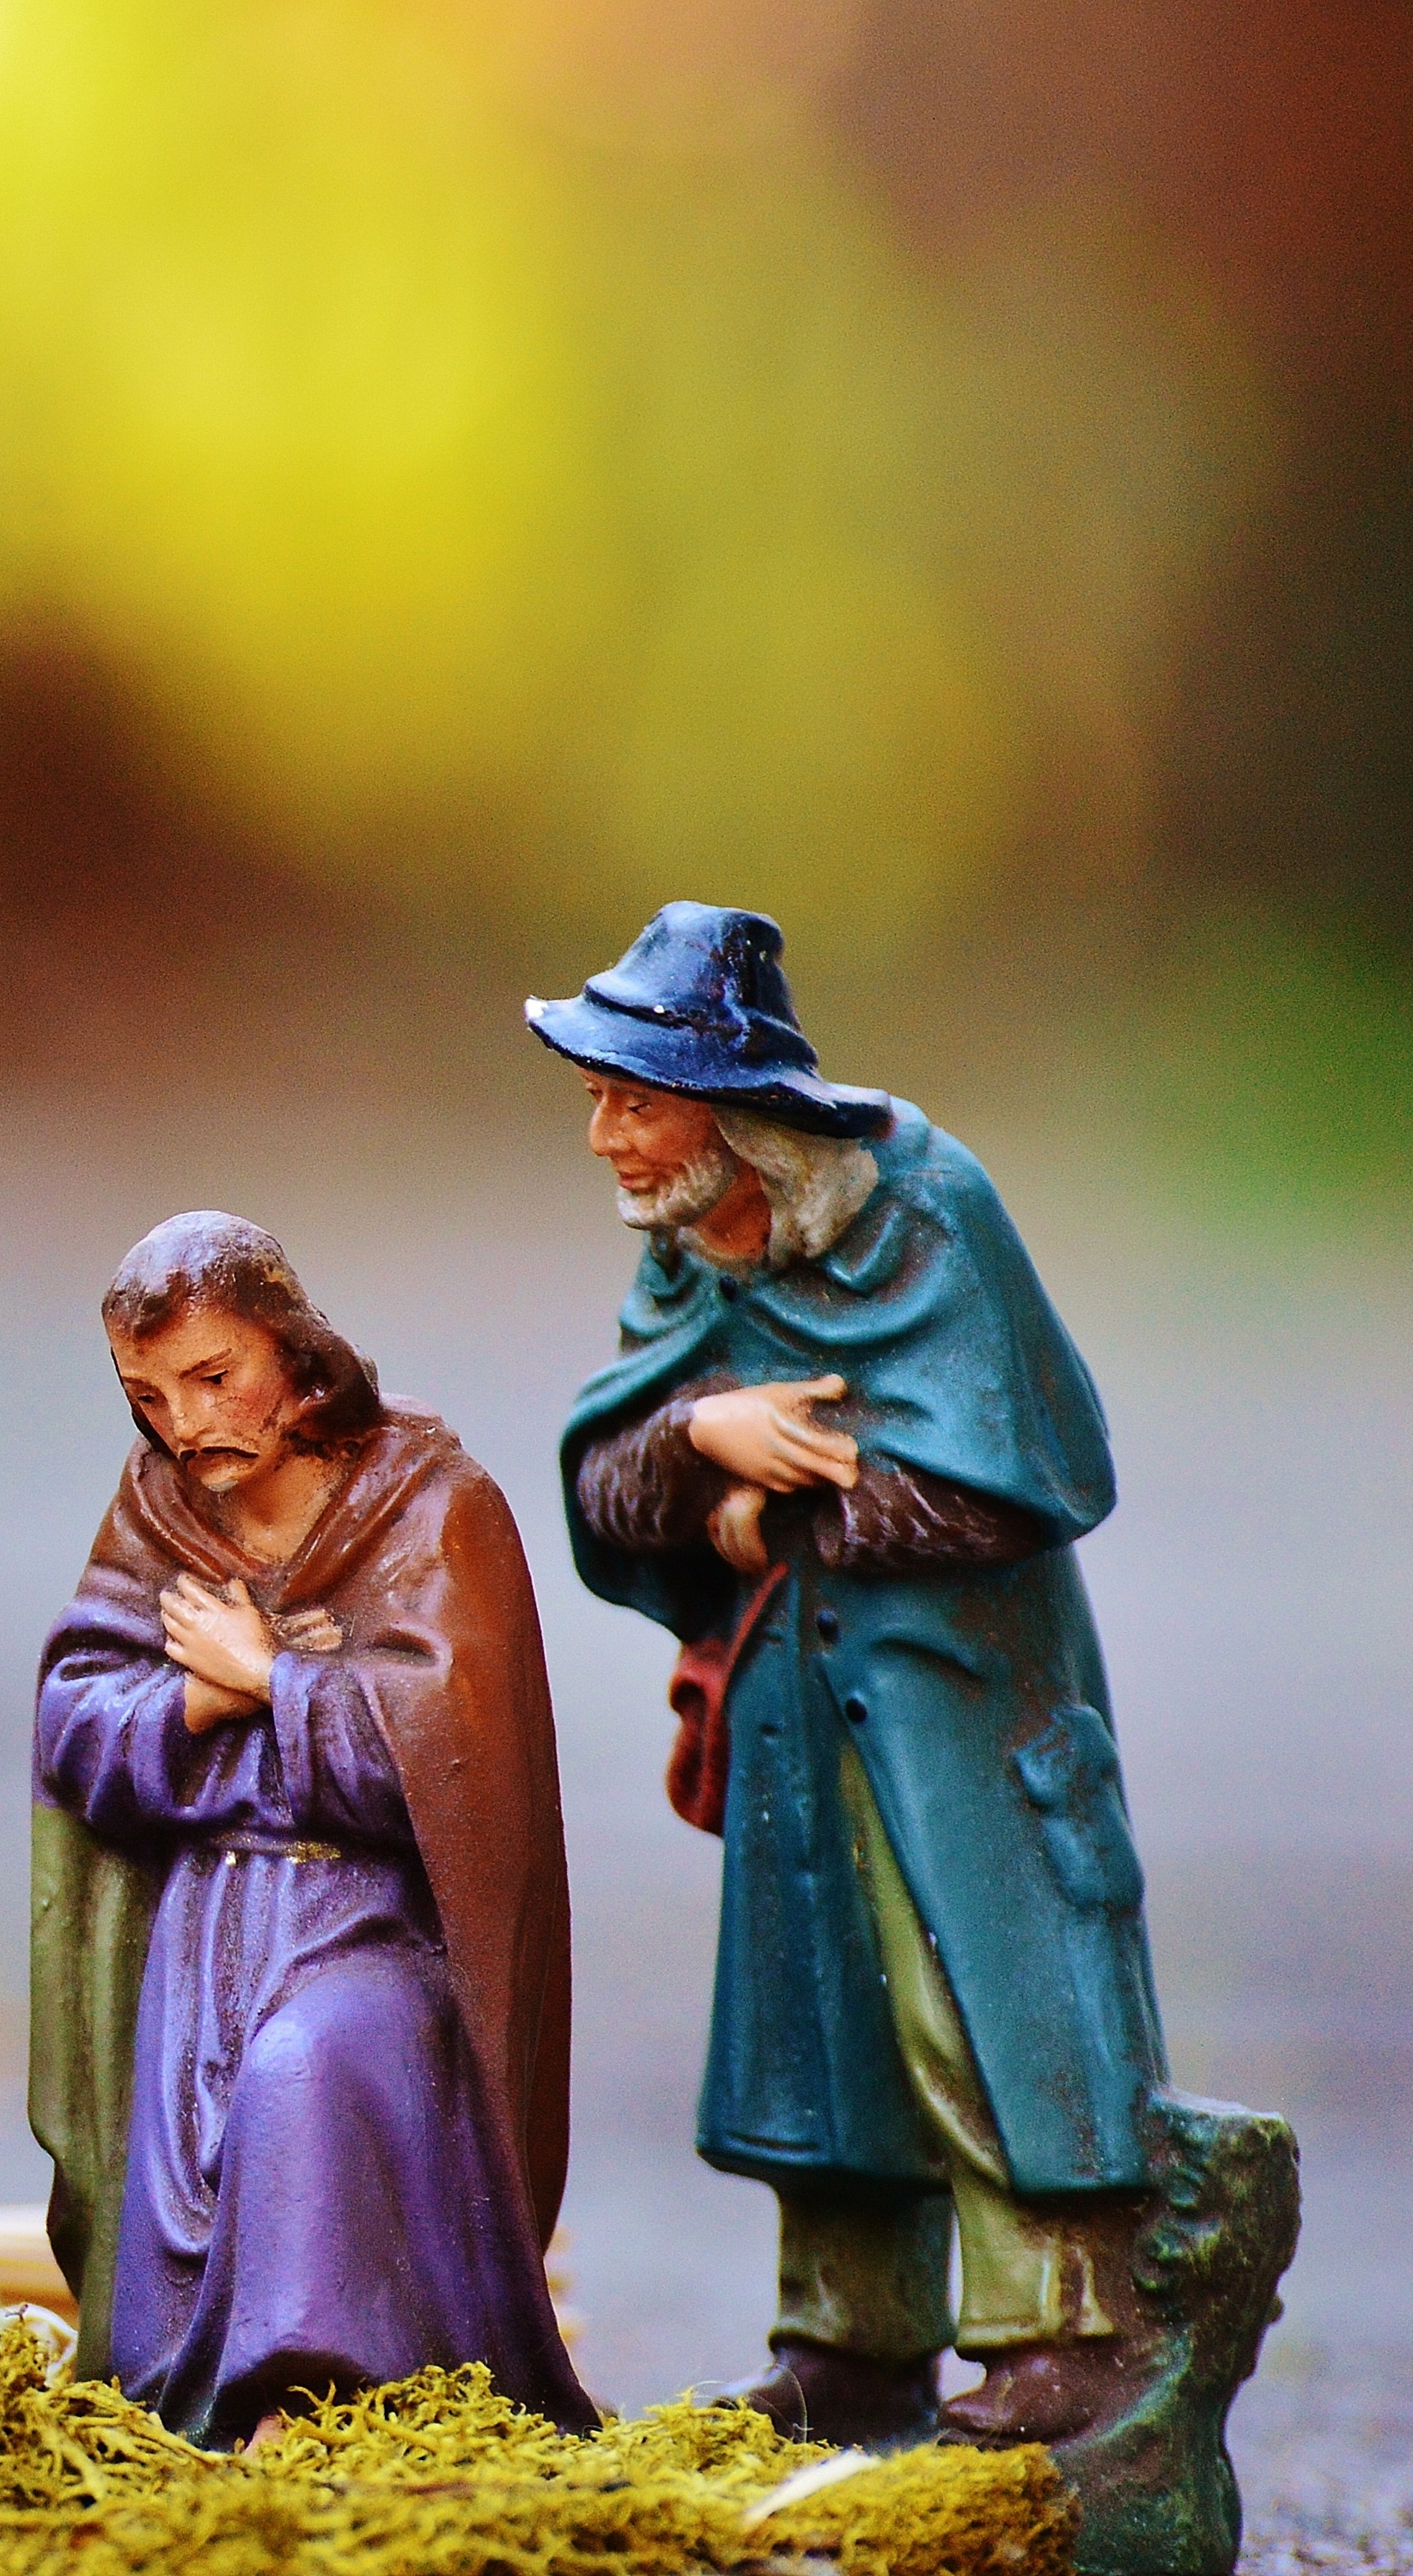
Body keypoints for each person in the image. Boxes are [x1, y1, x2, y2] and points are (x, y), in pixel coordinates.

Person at [535, 905, 1294, 2561]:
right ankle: (846, 2342)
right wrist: (705, 1436)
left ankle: (1052, 2340)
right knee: (817, 2026)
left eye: (631, 1101)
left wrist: (788, 1502)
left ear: (729, 1113)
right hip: (795, 1714)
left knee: (983, 2013)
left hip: (959, 1719)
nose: (603, 1137)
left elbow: (1026, 1474)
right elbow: (607, 1478)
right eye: (597, 1098)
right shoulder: (684, 1251)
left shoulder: (926, 1216)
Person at [33, 1213, 588, 2448]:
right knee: (196, 2138)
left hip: (372, 1931)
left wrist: (268, 1675)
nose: (186, 1425)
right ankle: (189, 2410)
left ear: (293, 1349)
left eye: (213, 1377)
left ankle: (310, 2397)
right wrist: (195, 1701)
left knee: (305, 2071)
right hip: (205, 1936)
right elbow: (74, 1720)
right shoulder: (158, 1511)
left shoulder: (430, 1506)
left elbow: (461, 1769)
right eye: (149, 1396)